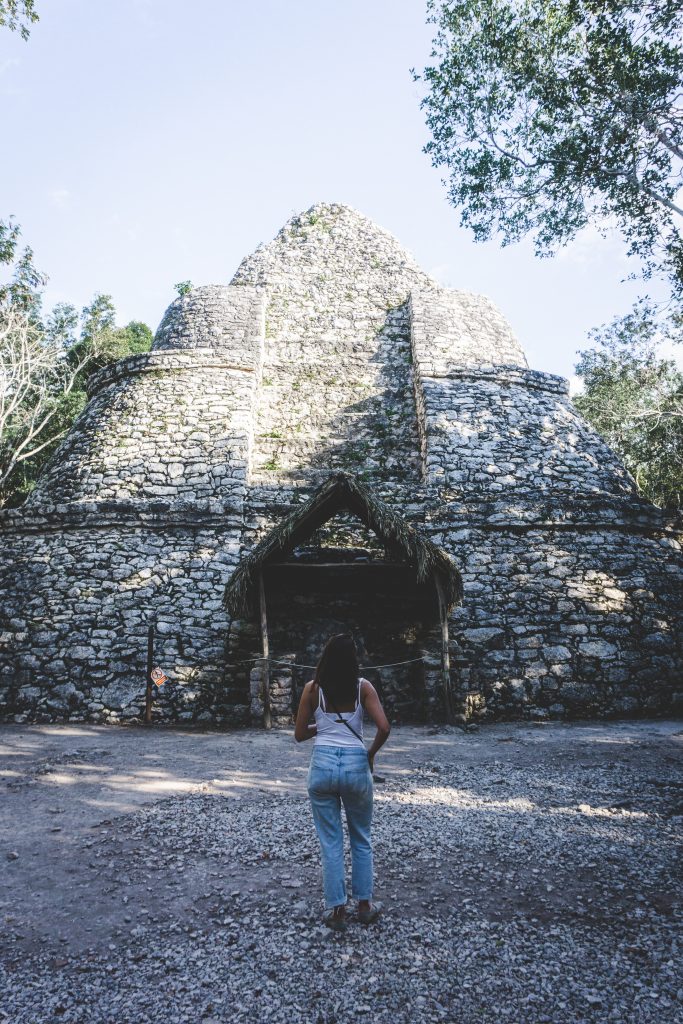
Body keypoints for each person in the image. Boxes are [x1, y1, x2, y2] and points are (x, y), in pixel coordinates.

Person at [294, 632, 391, 932]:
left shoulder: (313, 690)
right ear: (354, 659)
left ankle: (336, 911)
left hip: (322, 766)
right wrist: (370, 754)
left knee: (331, 842)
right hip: (354, 765)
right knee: (361, 838)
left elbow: (299, 734)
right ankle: (364, 906)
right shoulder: (363, 688)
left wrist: (321, 725)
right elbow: (384, 727)